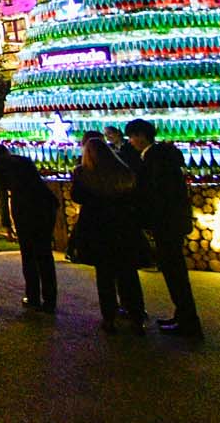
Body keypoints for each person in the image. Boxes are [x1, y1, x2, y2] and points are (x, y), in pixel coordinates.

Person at [125, 118, 203, 338]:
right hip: (171, 222)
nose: (130, 142)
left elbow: (157, 193)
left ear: (141, 136)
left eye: (132, 137)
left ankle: (188, 321)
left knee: (174, 272)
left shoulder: (156, 160)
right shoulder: (159, 157)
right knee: (174, 272)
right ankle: (183, 315)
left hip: (166, 223)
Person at [70, 136, 150, 335]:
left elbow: (77, 197)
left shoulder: (83, 173)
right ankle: (136, 317)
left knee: (105, 276)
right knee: (128, 274)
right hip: (123, 227)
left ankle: (109, 318)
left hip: (98, 229)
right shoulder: (122, 171)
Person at [0, 144, 58, 312]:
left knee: (28, 254)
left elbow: (1, 196)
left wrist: (5, 223)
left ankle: (33, 296)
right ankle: (50, 299)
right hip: (45, 204)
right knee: (44, 253)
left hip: (24, 208)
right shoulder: (24, 160)